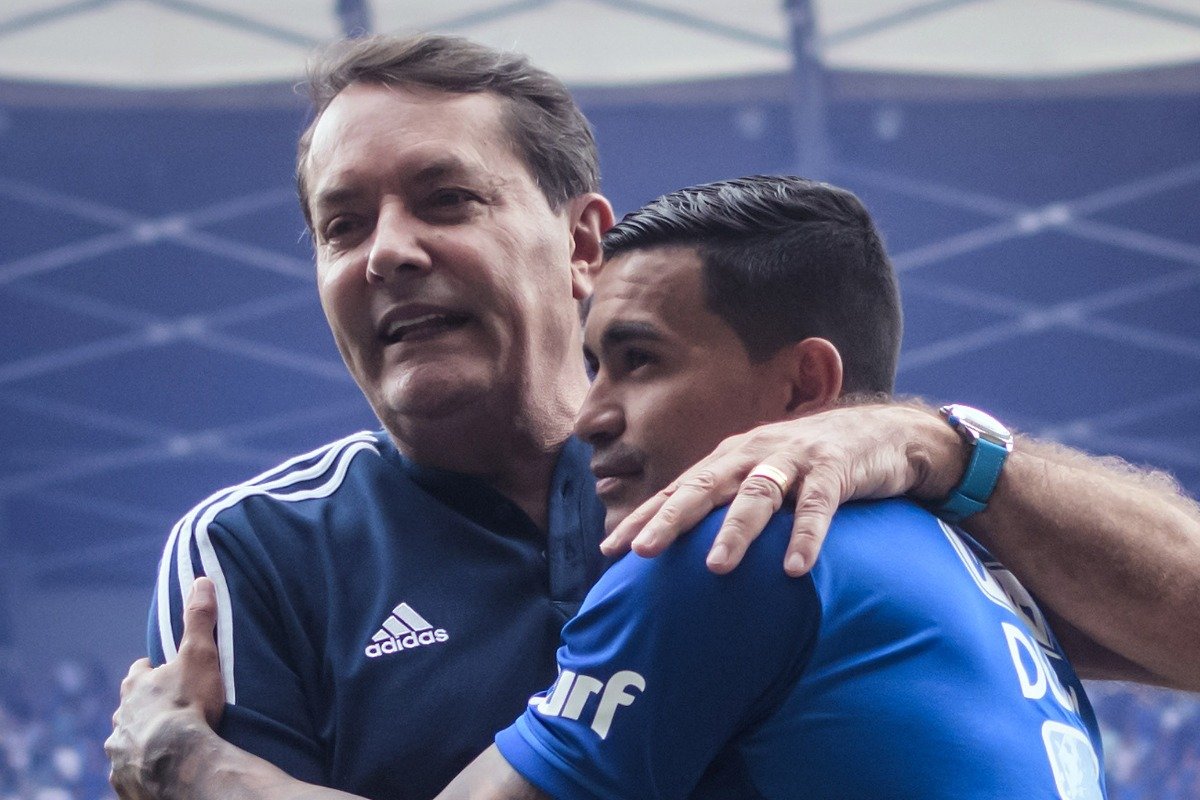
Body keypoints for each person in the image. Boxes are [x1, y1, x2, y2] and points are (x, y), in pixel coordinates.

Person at [115, 30, 1200, 800]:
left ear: (585, 242)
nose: (389, 250)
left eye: (447, 199)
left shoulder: (789, 484)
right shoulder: (249, 551)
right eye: (341, 225)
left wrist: (945, 443)